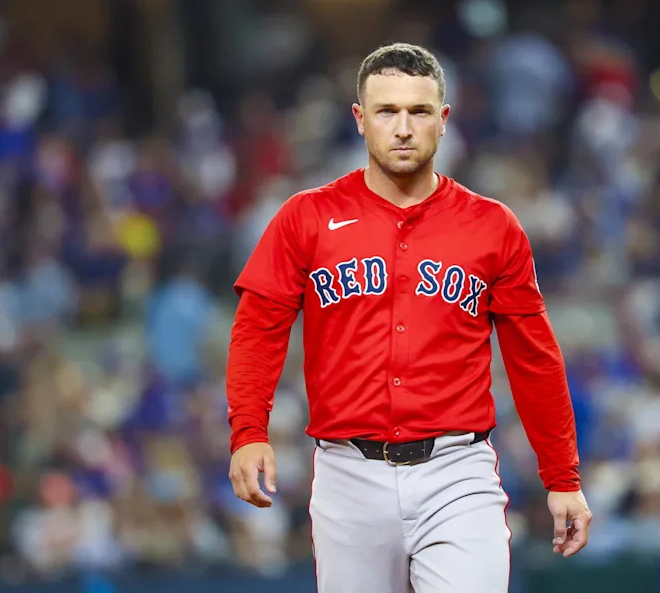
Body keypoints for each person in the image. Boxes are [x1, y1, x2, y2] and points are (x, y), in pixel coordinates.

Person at [226, 42, 591, 593]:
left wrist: (562, 477)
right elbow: (258, 328)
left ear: (443, 121)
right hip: (347, 473)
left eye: (418, 112)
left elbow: (534, 359)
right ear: (359, 119)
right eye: (386, 111)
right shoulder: (307, 217)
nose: (402, 128)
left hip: (457, 472)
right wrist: (248, 431)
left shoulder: (493, 226)